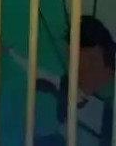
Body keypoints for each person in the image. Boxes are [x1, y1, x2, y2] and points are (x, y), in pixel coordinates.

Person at [6, 15, 115, 145]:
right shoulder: (67, 85)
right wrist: (11, 52)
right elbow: (36, 72)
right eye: (70, 57)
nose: (72, 66)